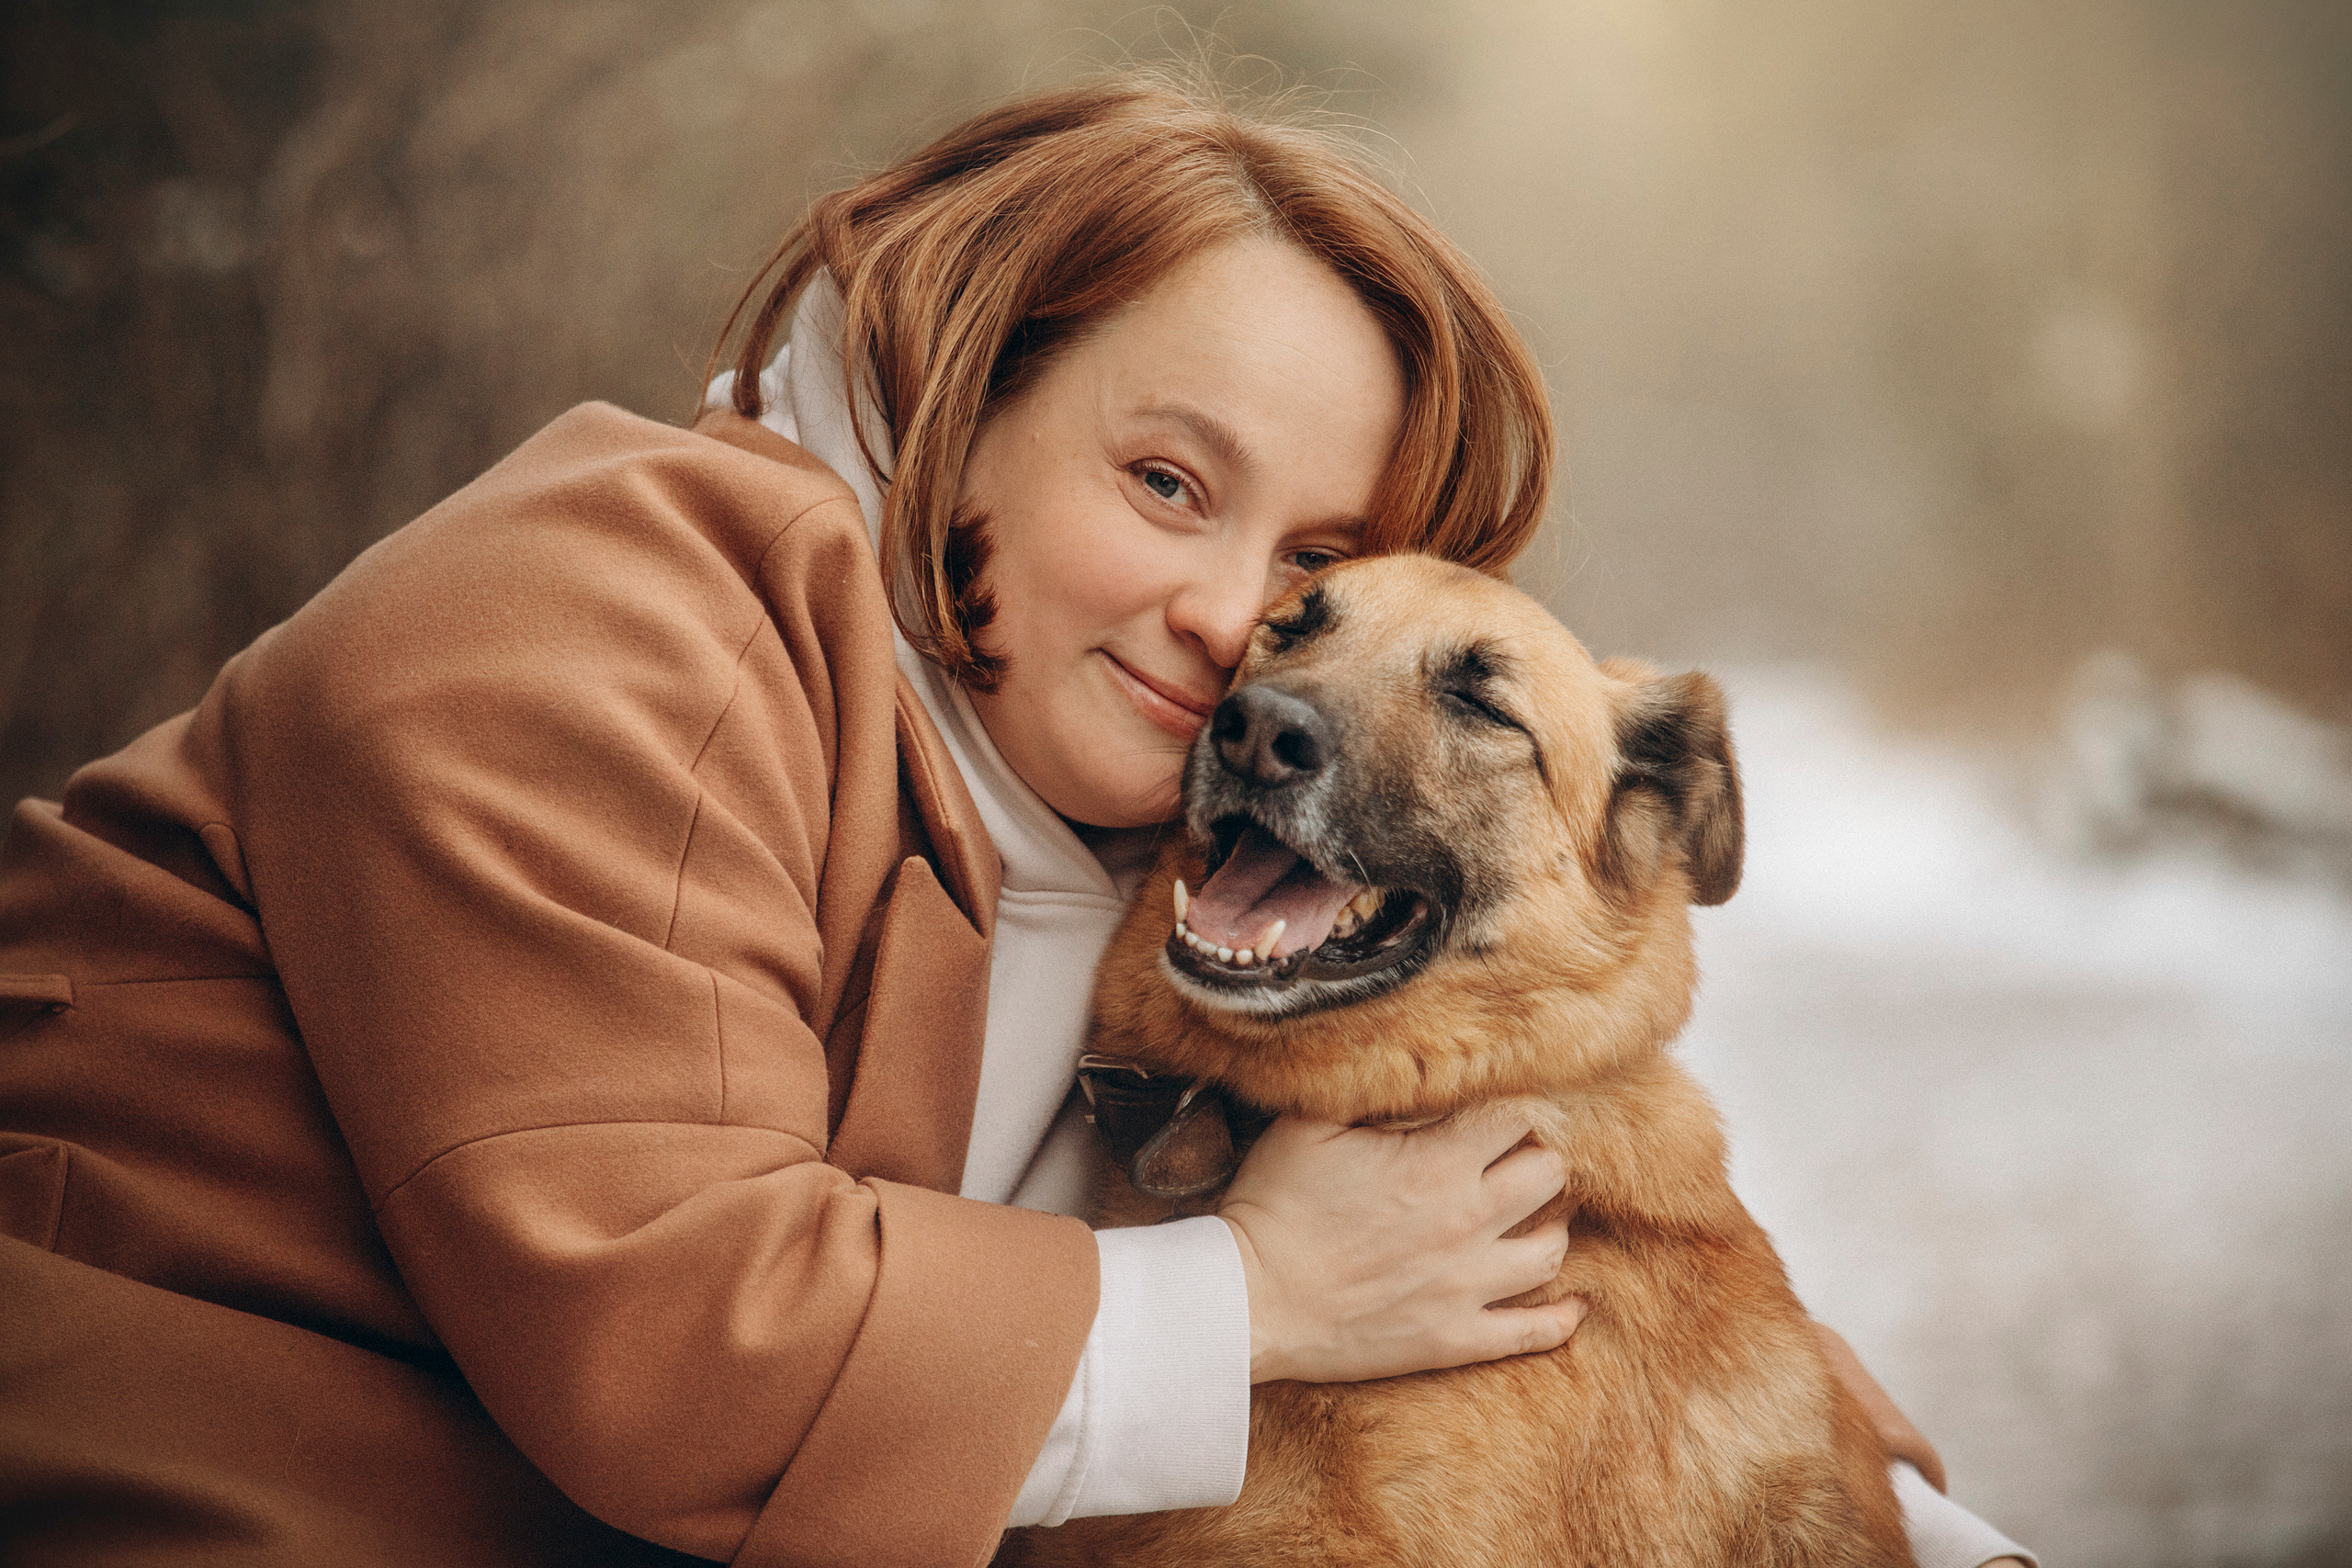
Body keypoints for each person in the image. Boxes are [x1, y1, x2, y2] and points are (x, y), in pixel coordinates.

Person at [0, 70, 2031, 1568]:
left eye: (1311, 555)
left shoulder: (1114, 803)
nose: (1241, 626)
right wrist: (1257, 1293)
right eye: (1166, 482)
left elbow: (1448, 1223)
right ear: (960, 394)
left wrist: (1789, 1440)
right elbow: (671, 1332)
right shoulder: (597, 616)